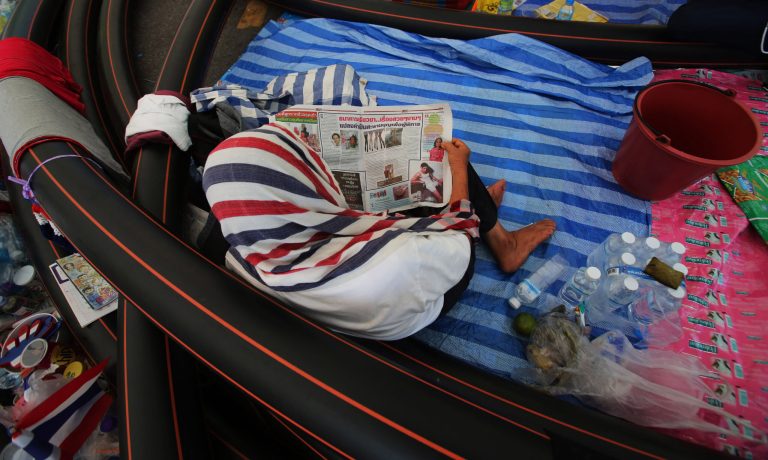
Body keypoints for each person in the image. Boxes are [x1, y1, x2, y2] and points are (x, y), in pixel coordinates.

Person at [204, 125, 556, 340]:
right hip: (421, 296)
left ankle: (481, 207)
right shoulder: (402, 262)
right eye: (303, 161)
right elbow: (457, 236)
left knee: (426, 183)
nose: (314, 157)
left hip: (352, 286)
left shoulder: (243, 253)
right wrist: (460, 172)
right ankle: (504, 243)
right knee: (454, 169)